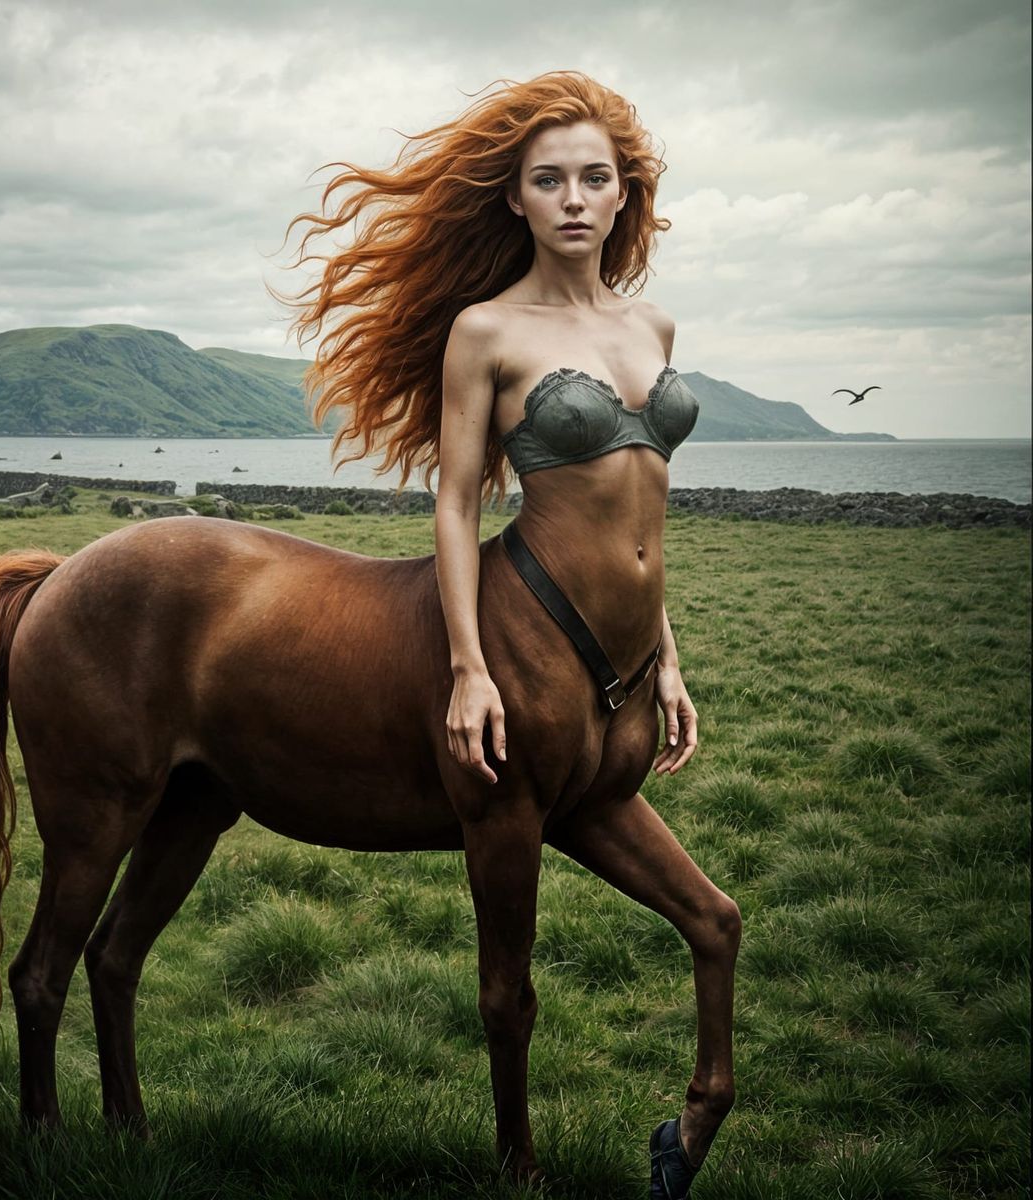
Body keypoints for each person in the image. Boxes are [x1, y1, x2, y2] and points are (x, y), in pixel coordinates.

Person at [286, 70, 738, 1198]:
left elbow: (641, 512)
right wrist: (469, 668)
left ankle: (702, 1108)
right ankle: (511, 1159)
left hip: (619, 665)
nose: (575, 198)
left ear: (624, 192)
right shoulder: (485, 330)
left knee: (718, 923)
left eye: (595, 178)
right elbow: (454, 503)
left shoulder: (652, 323)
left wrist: (667, 659)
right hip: (522, 628)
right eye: (550, 181)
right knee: (516, 956)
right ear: (518, 203)